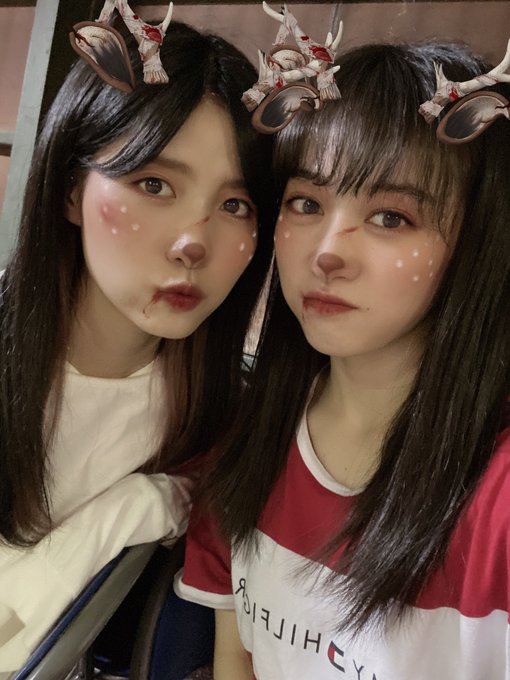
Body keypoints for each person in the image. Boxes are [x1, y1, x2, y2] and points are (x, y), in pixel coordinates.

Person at [176, 38, 510, 679]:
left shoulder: (496, 497)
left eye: (392, 217)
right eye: (306, 203)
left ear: (478, 240)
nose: (327, 252)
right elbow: (235, 660)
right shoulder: (245, 442)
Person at [0, 16, 275, 672]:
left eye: (235, 205)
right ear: (71, 190)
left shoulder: (219, 422)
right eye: (154, 185)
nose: (193, 242)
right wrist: (137, 508)